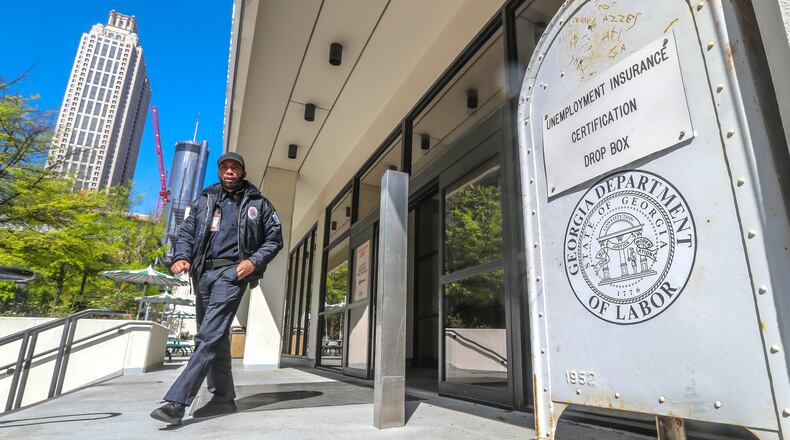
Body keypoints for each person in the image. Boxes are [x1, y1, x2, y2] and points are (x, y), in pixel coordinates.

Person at [150, 152, 283, 425]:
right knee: (215, 337)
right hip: (204, 275)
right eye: (225, 167)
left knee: (208, 335)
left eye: (235, 167)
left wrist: (252, 262)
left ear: (243, 172)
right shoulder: (206, 199)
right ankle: (223, 398)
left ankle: (177, 402)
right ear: (220, 171)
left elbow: (274, 238)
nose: (230, 171)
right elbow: (187, 232)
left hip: (232, 274)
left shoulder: (258, 203)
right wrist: (181, 256)